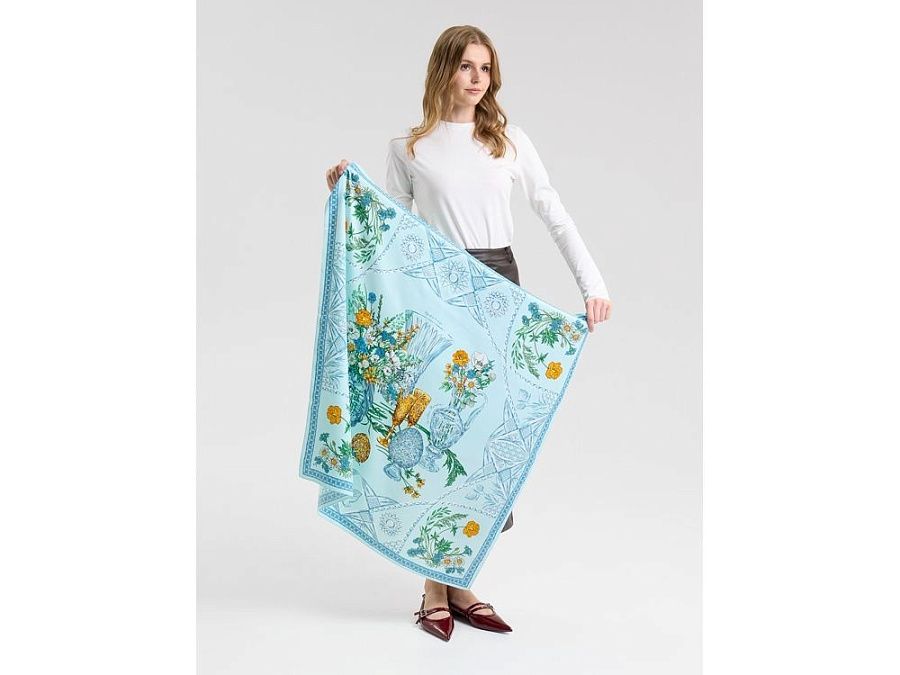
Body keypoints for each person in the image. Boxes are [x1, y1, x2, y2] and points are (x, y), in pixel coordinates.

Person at [324, 25, 613, 642]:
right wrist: (349, 194)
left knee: (484, 437)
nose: (477, 78)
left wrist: (593, 284)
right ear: (444, 71)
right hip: (435, 295)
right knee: (435, 433)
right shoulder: (410, 148)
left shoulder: (508, 142)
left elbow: (553, 212)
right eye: (465, 66)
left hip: (499, 287)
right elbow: (392, 232)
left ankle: (459, 581)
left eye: (485, 68)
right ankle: (436, 588)